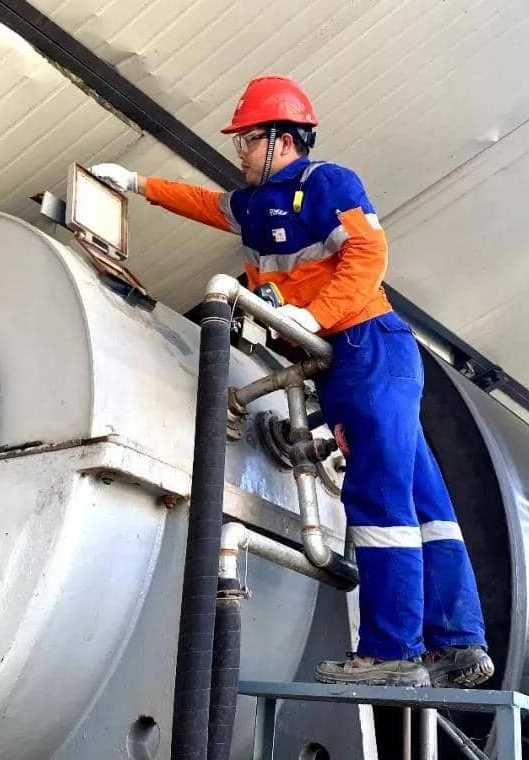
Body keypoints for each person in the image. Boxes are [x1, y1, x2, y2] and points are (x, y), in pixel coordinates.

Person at [90, 75, 493, 688]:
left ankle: (391, 649)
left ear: (283, 139)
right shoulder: (254, 204)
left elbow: (368, 255)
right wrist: (138, 185)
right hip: (350, 361)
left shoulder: (328, 183)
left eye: (248, 140)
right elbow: (204, 203)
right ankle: (459, 643)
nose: (240, 152)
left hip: (367, 347)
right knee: (423, 501)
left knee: (378, 496)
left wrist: (314, 316)